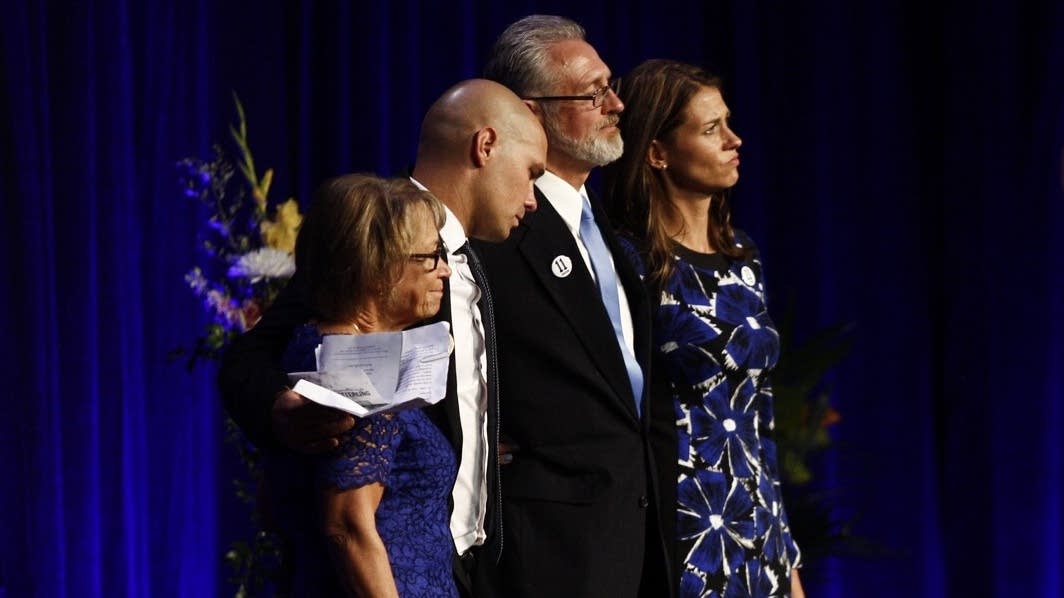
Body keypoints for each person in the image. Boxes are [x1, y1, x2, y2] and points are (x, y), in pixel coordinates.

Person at [217, 79, 548, 597]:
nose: (533, 200)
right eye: (530, 174)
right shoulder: (352, 319)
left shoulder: (484, 259)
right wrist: (281, 411)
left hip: (456, 564)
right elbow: (345, 523)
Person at [478, 15, 670, 597]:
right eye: (594, 93)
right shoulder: (488, 228)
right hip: (548, 557)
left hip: (636, 545)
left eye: (610, 86)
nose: (616, 104)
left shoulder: (608, 232)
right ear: (530, 111)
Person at [602, 59, 805, 597]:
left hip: (756, 526)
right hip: (685, 528)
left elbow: (759, 423)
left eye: (729, 123)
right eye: (711, 129)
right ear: (656, 152)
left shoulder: (744, 256)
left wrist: (787, 560)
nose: (734, 140)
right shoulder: (630, 261)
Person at [270, 174, 455, 595]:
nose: (443, 269)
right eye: (429, 256)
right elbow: (347, 528)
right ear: (376, 269)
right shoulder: (356, 364)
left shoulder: (313, 345)